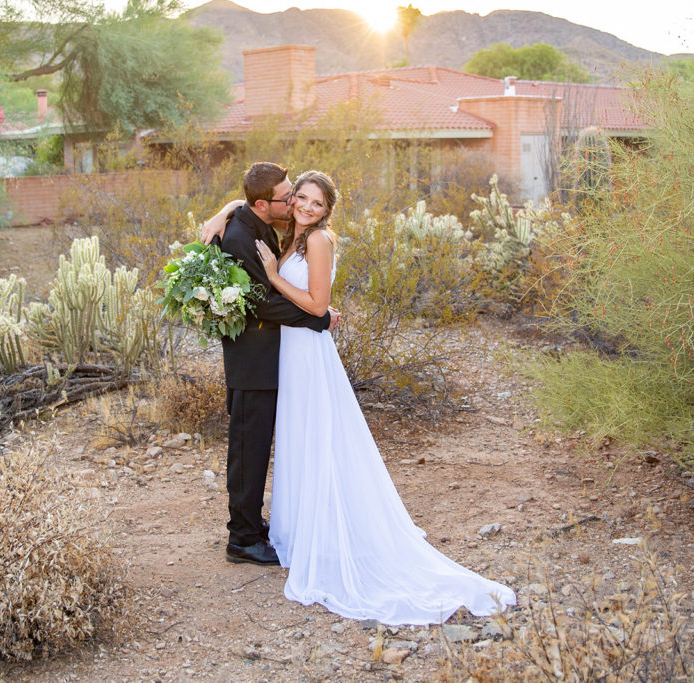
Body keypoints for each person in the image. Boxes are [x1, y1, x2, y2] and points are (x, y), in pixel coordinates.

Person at [213, 169, 515, 625]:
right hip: (287, 354)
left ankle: (325, 526)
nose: (304, 206)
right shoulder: (288, 235)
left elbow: (317, 305)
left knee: (318, 436)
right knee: (297, 438)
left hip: (307, 352)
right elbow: (249, 206)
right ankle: (295, 527)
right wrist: (223, 211)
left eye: (316, 203)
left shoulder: (317, 241)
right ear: (284, 201)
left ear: (327, 210)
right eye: (299, 197)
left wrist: (275, 277)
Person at [208, 162, 338, 567]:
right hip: (252, 364)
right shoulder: (239, 238)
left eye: (298, 193)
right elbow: (260, 303)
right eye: (290, 196)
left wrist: (227, 206)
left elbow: (247, 205)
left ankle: (254, 524)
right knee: (248, 452)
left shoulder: (261, 223)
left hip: (273, 359)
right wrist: (318, 318)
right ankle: (242, 538)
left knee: (259, 448)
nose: (295, 201)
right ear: (264, 204)